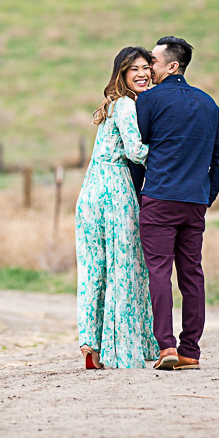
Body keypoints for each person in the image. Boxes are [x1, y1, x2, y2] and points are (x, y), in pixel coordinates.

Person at [136, 36, 219, 370]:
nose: (149, 68)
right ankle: (190, 350)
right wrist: (206, 197)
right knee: (192, 274)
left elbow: (139, 149)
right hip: (194, 202)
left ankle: (166, 347)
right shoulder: (209, 103)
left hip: (159, 198)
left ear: (173, 66)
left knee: (158, 272)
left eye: (154, 62)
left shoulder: (148, 101)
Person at [75, 46, 160, 369]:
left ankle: (90, 346)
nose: (142, 74)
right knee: (124, 268)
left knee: (93, 270)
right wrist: (177, 151)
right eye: (134, 68)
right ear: (122, 74)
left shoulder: (110, 105)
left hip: (90, 192)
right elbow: (137, 152)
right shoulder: (126, 105)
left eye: (145, 68)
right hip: (114, 190)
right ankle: (122, 349)